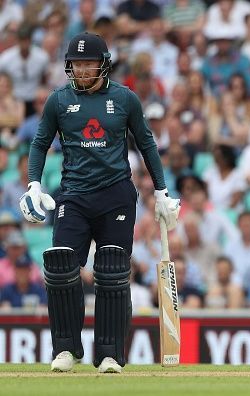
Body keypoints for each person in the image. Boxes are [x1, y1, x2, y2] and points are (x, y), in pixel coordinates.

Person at [18, 32, 180, 374]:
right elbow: (39, 144)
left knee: (112, 270)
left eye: (88, 63)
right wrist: (33, 184)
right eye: (76, 65)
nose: (82, 70)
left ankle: (110, 353)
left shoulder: (125, 99)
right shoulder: (58, 101)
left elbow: (147, 145)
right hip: (74, 195)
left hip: (116, 196)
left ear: (103, 64)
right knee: (61, 266)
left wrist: (162, 191)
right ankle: (67, 349)